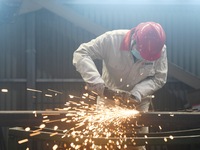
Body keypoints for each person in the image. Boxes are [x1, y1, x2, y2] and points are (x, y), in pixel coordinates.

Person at [73, 21, 167, 150]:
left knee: (137, 145)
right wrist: (99, 87)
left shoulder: (159, 50)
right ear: (134, 39)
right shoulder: (111, 40)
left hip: (138, 103)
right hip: (108, 101)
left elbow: (159, 78)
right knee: (104, 143)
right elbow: (81, 53)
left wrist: (137, 93)